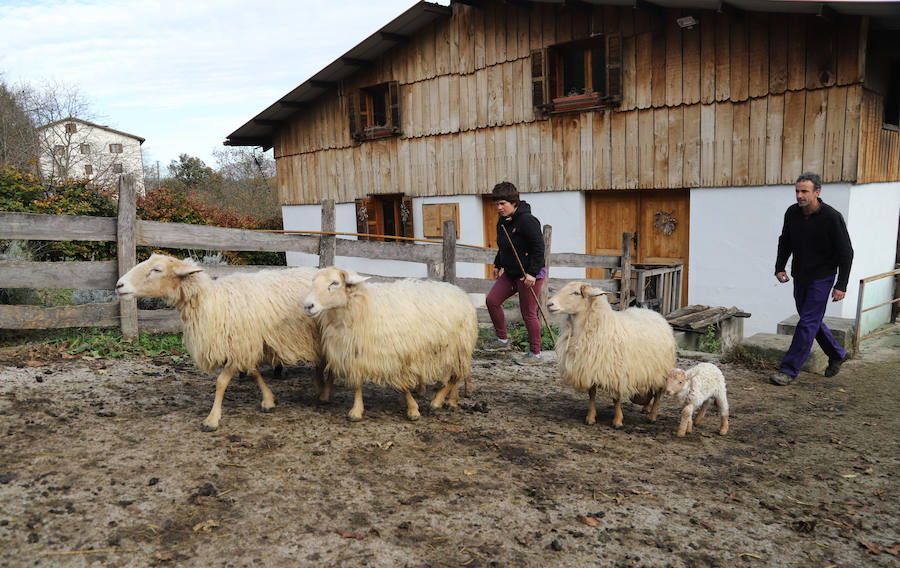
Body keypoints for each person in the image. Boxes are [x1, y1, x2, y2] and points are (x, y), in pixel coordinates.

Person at [770, 172, 854, 386]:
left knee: (806, 322)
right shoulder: (792, 213)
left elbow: (846, 253)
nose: (799, 195)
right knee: (811, 320)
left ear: (817, 192)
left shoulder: (831, 217)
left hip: (822, 277)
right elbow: (785, 241)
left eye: (804, 191)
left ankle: (788, 370)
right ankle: (837, 353)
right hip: (800, 276)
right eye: (797, 191)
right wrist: (780, 267)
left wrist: (841, 284)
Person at [484, 181, 547, 365]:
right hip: (511, 272)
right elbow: (504, 246)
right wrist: (497, 264)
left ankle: (535, 354)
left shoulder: (527, 221)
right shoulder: (502, 221)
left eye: (502, 203)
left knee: (528, 313)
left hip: (528, 275)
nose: (499, 207)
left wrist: (532, 274)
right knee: (492, 301)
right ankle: (502, 340)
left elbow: (538, 249)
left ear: (514, 202)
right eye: (497, 204)